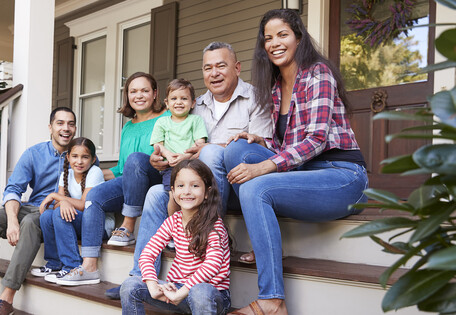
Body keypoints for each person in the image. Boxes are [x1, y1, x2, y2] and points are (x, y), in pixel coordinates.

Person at [225, 9, 368, 315]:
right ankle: (266, 241)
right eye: (268, 38)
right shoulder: (277, 87)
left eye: (282, 34)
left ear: (299, 38)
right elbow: (286, 147)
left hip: (340, 176)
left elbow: (316, 140)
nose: (274, 43)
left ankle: (272, 301)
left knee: (255, 188)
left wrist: (264, 166)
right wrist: (260, 142)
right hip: (305, 171)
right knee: (237, 151)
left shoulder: (318, 73)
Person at [105, 41, 271, 299]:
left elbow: (258, 147)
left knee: (212, 152)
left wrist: (206, 150)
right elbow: (173, 141)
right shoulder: (195, 104)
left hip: (236, 187)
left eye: (221, 66)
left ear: (237, 68)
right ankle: (139, 278)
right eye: (208, 68)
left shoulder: (256, 98)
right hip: (189, 189)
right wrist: (158, 159)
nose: (213, 73)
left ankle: (211, 229)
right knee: (154, 195)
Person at [0, 107, 77, 315]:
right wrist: (12, 219)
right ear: (50, 127)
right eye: (60, 123)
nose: (66, 128)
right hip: (32, 205)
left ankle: (7, 297)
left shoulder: (81, 153)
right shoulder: (34, 153)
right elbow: (13, 189)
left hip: (54, 212)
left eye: (71, 124)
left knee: (30, 222)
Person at [59, 72, 169, 286]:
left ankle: (127, 225)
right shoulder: (128, 127)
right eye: (133, 91)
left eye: (145, 90)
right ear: (127, 95)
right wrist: (83, 172)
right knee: (96, 195)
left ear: (155, 94)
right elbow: (120, 169)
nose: (139, 95)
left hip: (158, 177)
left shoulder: (167, 117)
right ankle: (89, 265)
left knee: (137, 160)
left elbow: (140, 161)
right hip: (132, 180)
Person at [120, 159, 231, 315]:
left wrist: (183, 291)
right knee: (130, 285)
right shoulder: (172, 221)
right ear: (172, 191)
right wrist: (152, 285)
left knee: (199, 292)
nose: (186, 191)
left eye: (195, 186)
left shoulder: (214, 224)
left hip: (211, 296)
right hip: (178, 290)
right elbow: (147, 254)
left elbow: (212, 264)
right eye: (180, 186)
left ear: (207, 192)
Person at [34, 137, 105, 285]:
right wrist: (62, 201)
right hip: (78, 221)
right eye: (75, 156)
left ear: (93, 159)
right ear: (68, 157)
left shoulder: (95, 172)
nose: (79, 161)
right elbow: (57, 206)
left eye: (85, 157)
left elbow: (84, 204)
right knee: (47, 215)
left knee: (59, 214)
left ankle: (72, 265)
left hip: (96, 226)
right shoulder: (66, 174)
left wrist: (57, 197)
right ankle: (55, 263)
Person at [150, 78, 207, 217]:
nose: (179, 102)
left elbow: (199, 144)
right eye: (174, 98)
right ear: (167, 103)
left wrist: (185, 156)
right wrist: (168, 155)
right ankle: (174, 228)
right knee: (174, 196)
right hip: (171, 167)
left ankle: (193, 225)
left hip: (192, 165)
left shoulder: (195, 120)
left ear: (193, 103)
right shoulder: (162, 122)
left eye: (184, 98)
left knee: (194, 197)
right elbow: (158, 144)